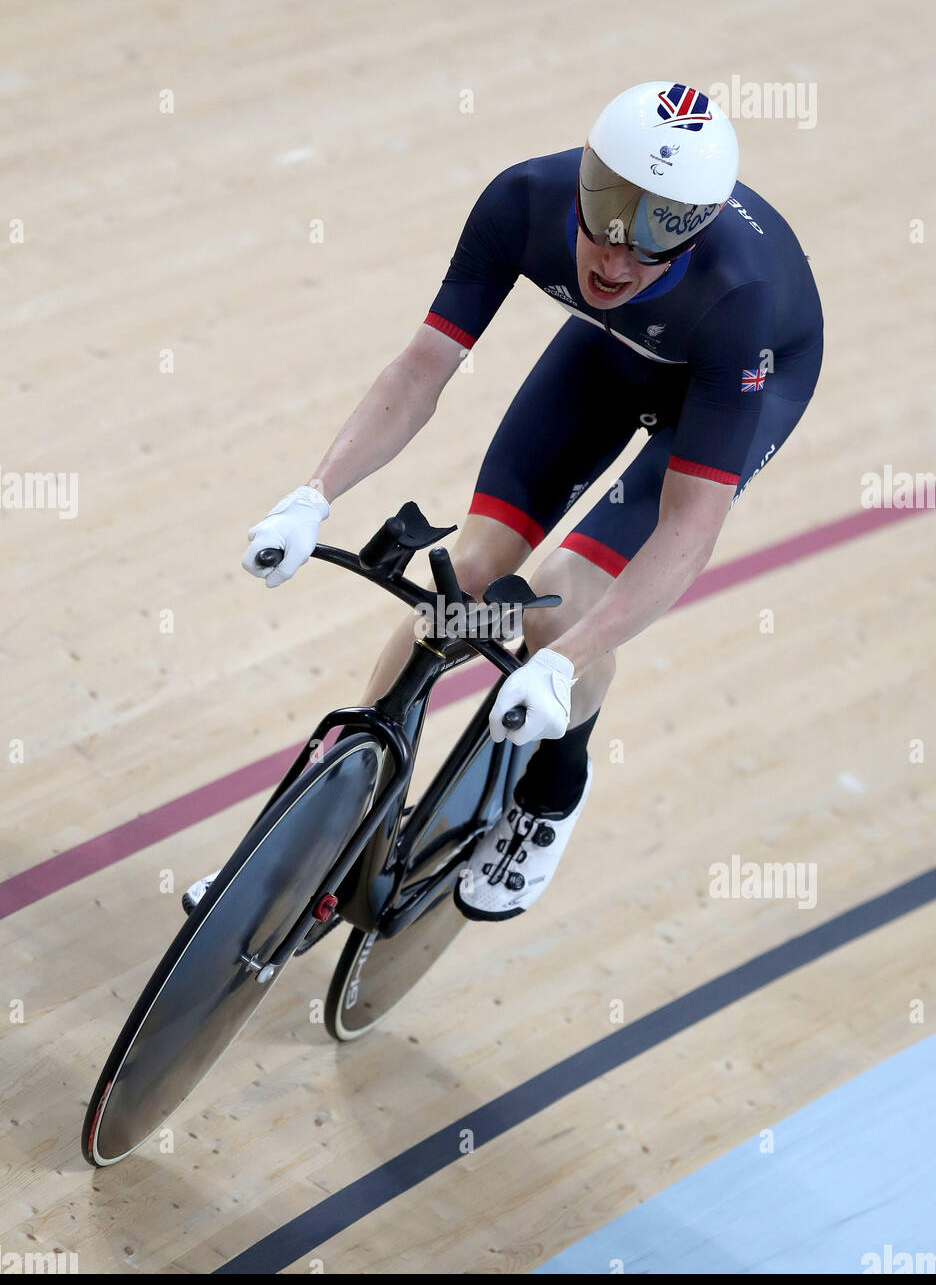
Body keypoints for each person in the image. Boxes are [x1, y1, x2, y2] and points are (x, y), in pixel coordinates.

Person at [185, 81, 823, 923]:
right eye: (608, 215)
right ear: (585, 174)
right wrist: (312, 495)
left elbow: (689, 528)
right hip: (614, 350)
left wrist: (561, 664)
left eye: (654, 239)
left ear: (697, 232)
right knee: (470, 581)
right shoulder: (524, 198)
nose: (616, 261)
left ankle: (552, 797)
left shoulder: (739, 300)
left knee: (562, 606)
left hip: (746, 378)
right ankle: (320, 818)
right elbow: (421, 369)